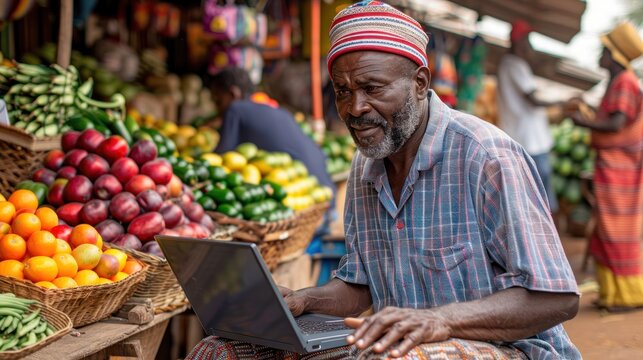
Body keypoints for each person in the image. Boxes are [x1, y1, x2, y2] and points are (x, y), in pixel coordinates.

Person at [187, 2, 580, 359]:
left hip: (509, 349)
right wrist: (306, 300)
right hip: (400, 342)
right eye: (343, 91)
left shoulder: (487, 156)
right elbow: (362, 287)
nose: (356, 108)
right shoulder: (366, 165)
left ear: (421, 83)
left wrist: (441, 321)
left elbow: (554, 298)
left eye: (372, 88)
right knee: (220, 351)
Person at [567, 22, 643, 312]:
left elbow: (616, 123)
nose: (600, 54)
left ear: (614, 55)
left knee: (616, 229)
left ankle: (628, 296)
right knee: (606, 228)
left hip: (620, 168)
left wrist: (582, 121)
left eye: (604, 49)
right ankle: (613, 294)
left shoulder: (625, 81)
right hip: (612, 165)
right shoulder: (620, 81)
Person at [210, 67, 335, 193]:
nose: (216, 108)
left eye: (218, 100)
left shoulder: (235, 109)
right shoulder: (276, 110)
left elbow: (219, 160)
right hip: (325, 192)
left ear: (233, 94)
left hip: (306, 194)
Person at [496, 20, 561, 214]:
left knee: (536, 195)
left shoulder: (513, 65)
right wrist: (561, 103)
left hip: (528, 139)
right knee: (543, 198)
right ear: (519, 42)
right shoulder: (514, 65)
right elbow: (533, 99)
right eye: (527, 40)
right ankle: (553, 240)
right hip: (530, 141)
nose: (531, 45)